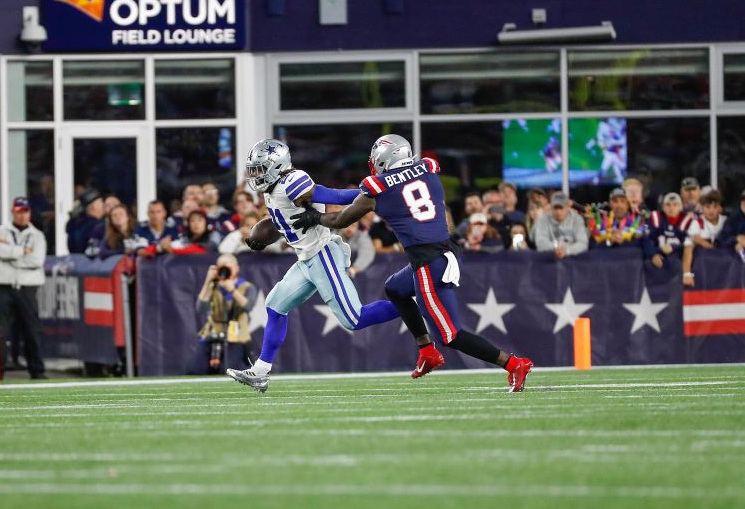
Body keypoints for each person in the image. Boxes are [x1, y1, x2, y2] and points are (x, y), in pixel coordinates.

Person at [290, 134, 535, 391]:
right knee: (396, 288)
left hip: (429, 262)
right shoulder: (428, 169)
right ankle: (426, 350)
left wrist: (315, 217)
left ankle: (513, 363)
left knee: (450, 335)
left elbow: (340, 217)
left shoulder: (378, 188)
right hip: (445, 249)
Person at [224, 139, 401, 393]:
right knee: (275, 305)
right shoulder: (272, 188)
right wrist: (258, 237)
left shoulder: (292, 181)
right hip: (306, 258)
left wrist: (376, 189)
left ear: (277, 165)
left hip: (323, 254)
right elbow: (282, 222)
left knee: (354, 318)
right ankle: (261, 372)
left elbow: (334, 195)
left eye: (261, 169)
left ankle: (415, 307)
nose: (257, 175)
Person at [0, 197, 48, 380]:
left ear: (29, 212)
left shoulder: (37, 235)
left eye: (25, 211)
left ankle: (37, 370)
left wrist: (9, 255)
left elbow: (37, 260)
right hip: (3, 285)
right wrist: (21, 251)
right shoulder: (1, 230)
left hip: (27, 287)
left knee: (31, 329)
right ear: (13, 212)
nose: (22, 216)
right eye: (19, 212)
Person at [187, 254, 255, 375]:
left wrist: (232, 290)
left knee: (229, 370)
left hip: (236, 336)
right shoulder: (213, 286)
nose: (225, 268)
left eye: (229, 265)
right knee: (194, 369)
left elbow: (248, 306)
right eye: (222, 265)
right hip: (212, 333)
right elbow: (201, 308)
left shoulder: (246, 286)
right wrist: (208, 281)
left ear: (237, 268)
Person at [680, 190, 728, 288]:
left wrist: (703, 242)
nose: (711, 211)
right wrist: (687, 274)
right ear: (702, 208)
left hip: (724, 267)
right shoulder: (697, 223)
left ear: (720, 208)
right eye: (708, 207)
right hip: (704, 268)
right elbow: (688, 250)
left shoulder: (726, 221)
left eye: (715, 207)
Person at [532, 193, 588, 259]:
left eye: (561, 208)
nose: (558, 211)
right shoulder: (543, 220)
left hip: (573, 259)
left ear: (567, 207)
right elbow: (540, 244)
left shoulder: (577, 219)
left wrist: (567, 250)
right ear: (551, 207)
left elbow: (583, 243)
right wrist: (557, 247)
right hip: (550, 259)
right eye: (556, 208)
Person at [643, 192, 688, 270]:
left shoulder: (687, 221)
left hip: (678, 263)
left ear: (681, 207)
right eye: (668, 205)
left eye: (675, 204)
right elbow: (646, 239)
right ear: (663, 207)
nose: (671, 208)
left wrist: (674, 247)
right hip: (658, 261)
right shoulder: (655, 219)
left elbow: (690, 243)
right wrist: (653, 254)